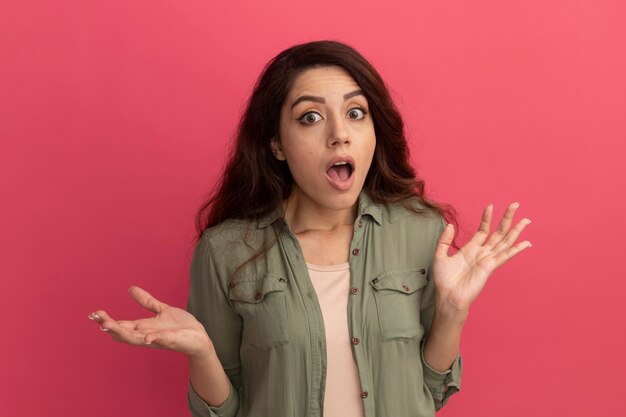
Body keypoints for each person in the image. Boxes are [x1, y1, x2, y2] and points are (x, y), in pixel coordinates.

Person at [89, 40, 531, 417]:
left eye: (356, 113)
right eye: (310, 117)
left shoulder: (422, 233)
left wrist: (453, 312)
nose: (340, 134)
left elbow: (431, 391)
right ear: (276, 144)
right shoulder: (225, 251)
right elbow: (224, 411)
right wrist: (202, 351)